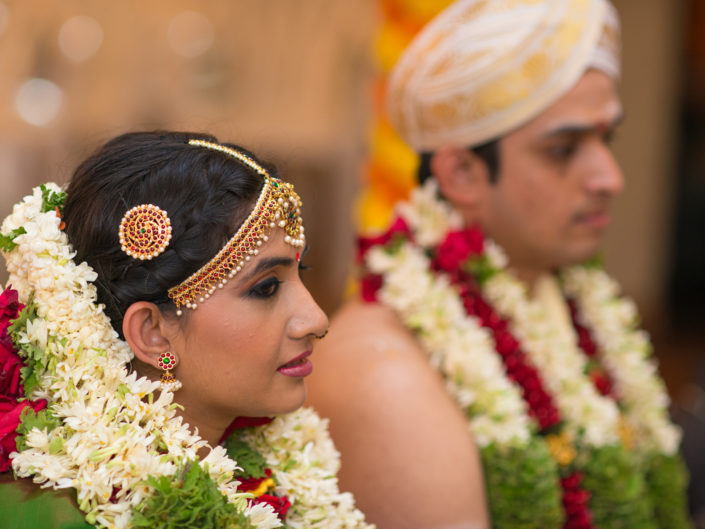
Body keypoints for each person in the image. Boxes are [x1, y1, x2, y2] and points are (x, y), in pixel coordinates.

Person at [307, 1, 692, 529]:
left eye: (607, 139)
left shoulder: (566, 301)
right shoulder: (385, 372)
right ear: (462, 173)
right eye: (563, 149)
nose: (609, 177)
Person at [0, 131, 373, 529]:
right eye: (265, 288)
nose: (316, 319)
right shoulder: (54, 515)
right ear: (153, 333)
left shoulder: (266, 473)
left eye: (302, 272)